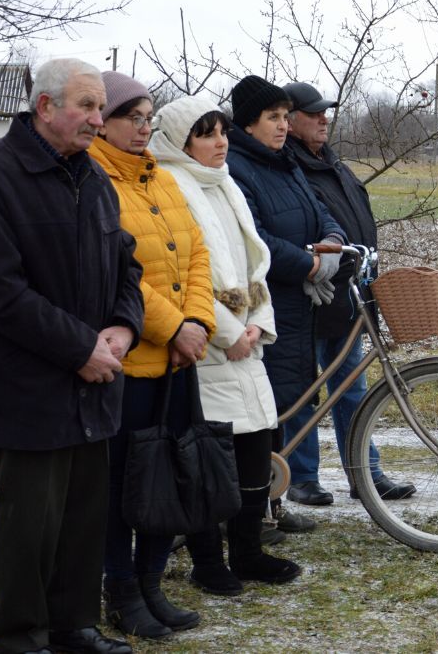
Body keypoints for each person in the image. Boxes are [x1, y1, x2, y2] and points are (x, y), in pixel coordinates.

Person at [0, 58, 141, 654]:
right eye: (86, 106)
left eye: (99, 107)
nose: (96, 118)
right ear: (44, 107)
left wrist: (122, 327)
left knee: (84, 521)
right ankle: (23, 638)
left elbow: (126, 264)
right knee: (28, 526)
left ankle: (74, 628)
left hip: (96, 381)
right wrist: (78, 347)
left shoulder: (93, 178)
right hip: (30, 389)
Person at [150, 95, 303, 596]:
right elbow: (179, 274)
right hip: (206, 342)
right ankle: (208, 562)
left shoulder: (226, 182)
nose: (221, 142)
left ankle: (248, 551)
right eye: (207, 134)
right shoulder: (169, 183)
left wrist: (258, 321)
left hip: (246, 338)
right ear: (180, 140)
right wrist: (228, 331)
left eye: (222, 131)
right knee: (208, 462)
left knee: (256, 446)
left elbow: (255, 260)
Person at [88, 71, 215, 639]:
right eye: (130, 118)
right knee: (125, 486)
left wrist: (200, 322)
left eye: (148, 118)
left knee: (173, 475)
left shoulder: (162, 179)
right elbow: (114, 273)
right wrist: (172, 328)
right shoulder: (94, 180)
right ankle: (121, 591)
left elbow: (196, 255)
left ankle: (152, 583)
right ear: (104, 122)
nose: (142, 128)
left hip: (179, 358)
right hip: (134, 361)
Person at [283, 81, 415, 503]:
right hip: (310, 291)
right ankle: (300, 478)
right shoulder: (291, 167)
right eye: (314, 113)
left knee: (351, 387)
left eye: (325, 112)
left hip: (348, 291)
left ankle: (365, 473)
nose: (324, 119)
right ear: (289, 120)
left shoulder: (331, 162)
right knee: (304, 388)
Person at [223, 75, 349, 508]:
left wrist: (331, 245)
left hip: (298, 308)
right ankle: (260, 507)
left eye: (283, 116)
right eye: (272, 117)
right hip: (265, 307)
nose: (282, 125)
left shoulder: (286, 162)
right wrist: (310, 265)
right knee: (265, 410)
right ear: (248, 124)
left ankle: (271, 504)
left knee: (285, 404)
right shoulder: (237, 169)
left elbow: (321, 213)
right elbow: (256, 241)